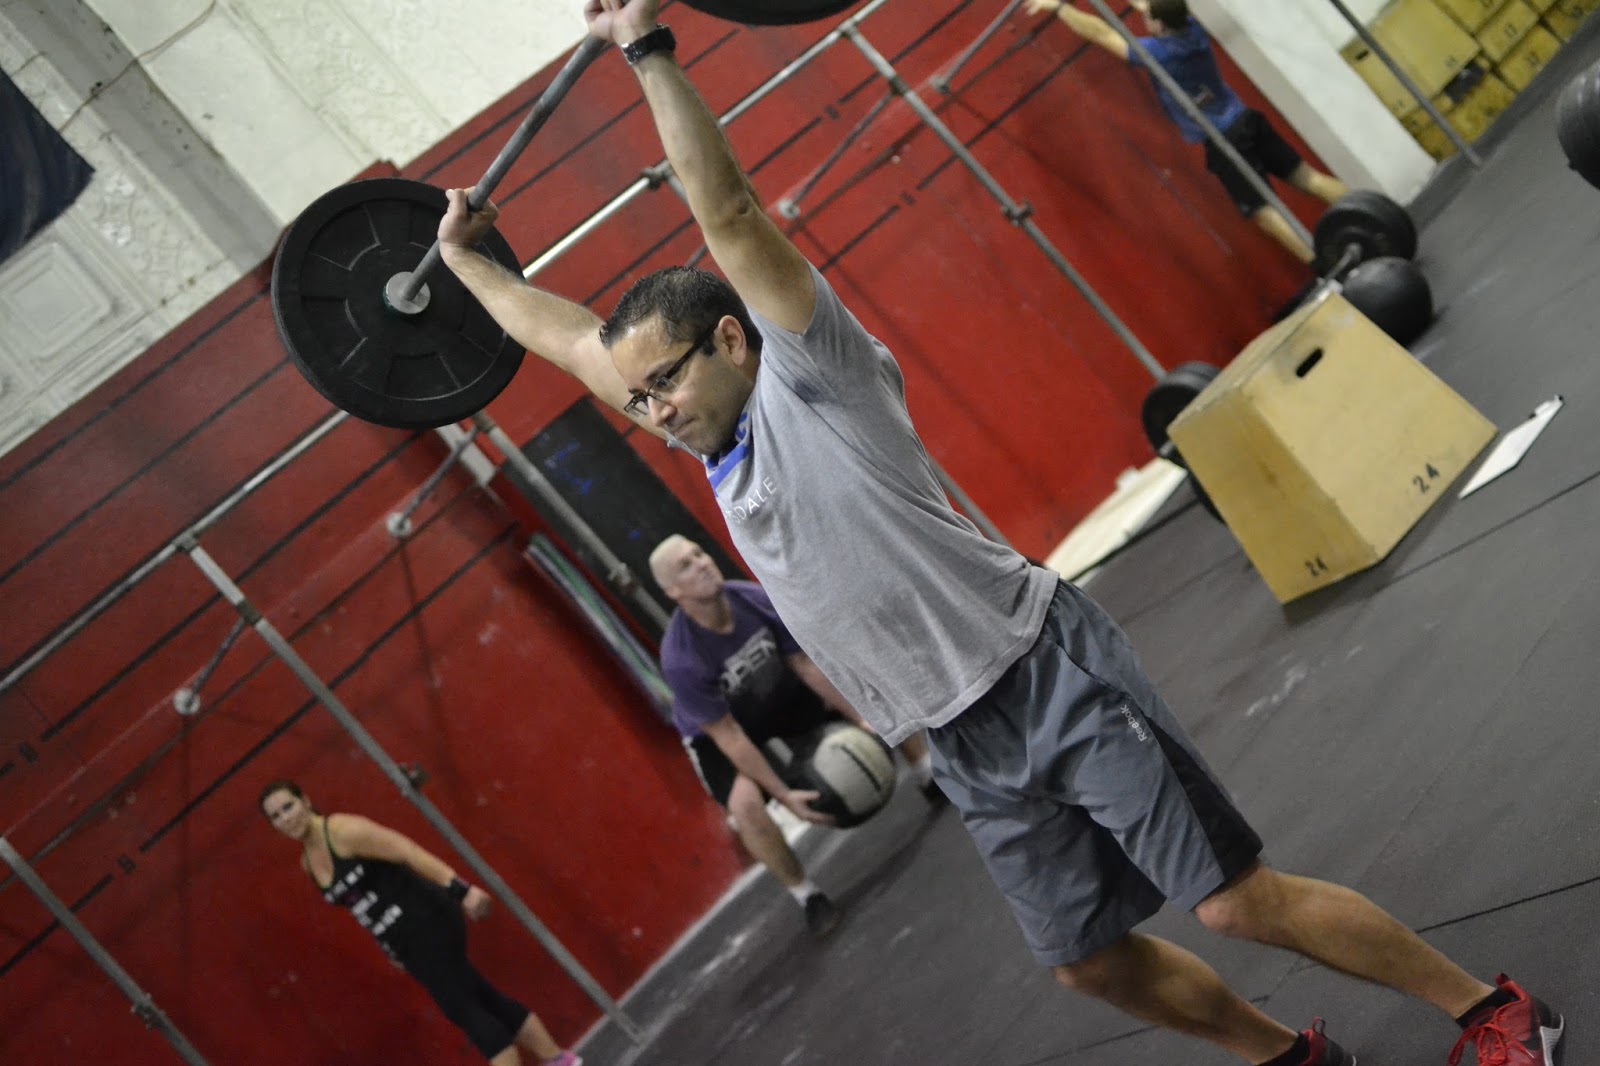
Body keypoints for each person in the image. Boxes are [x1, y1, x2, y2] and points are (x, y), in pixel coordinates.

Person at [434, 1, 1562, 1062]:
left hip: (1039, 667)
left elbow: (726, 217)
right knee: (1086, 964)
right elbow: (567, 338)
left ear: (729, 341)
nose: (654, 410)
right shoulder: (705, 438)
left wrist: (646, 48)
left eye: (667, 382)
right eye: (639, 399)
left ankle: (1494, 1008)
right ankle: (1286, 1054)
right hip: (957, 737)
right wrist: (470, 265)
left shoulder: (812, 376)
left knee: (1232, 900)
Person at [650, 533, 942, 938]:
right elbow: (729, 737)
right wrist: (784, 795)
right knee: (746, 805)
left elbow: (804, 665)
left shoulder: (750, 598)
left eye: (698, 553)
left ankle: (927, 774)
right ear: (672, 591)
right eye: (685, 565)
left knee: (863, 687)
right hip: (721, 731)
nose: (701, 563)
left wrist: (861, 717)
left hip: (773, 688)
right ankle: (808, 896)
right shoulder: (682, 659)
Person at [258, 781, 580, 1066]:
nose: (286, 818)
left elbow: (407, 851)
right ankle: (558, 1059)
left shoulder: (343, 831)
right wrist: (388, 948)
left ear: (305, 801)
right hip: (405, 942)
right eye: (275, 816)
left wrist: (461, 890)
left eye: (288, 807)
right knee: (479, 994)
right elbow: (360, 907)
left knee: (461, 1008)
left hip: (428, 918)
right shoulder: (307, 863)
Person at [1026, 0, 1350, 266]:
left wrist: (1059, 8)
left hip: (1225, 139)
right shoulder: (1192, 28)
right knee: (1307, 177)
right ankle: (1374, 214)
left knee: (1263, 213)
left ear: (1159, 25)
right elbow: (1151, 6)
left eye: (1149, 19)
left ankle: (1324, 267)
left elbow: (1102, 33)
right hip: (1247, 119)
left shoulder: (1160, 54)